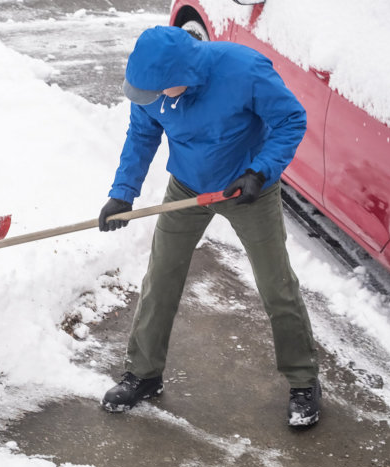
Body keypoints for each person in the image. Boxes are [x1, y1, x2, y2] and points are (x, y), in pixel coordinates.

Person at [96, 26, 321, 427]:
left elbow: (290, 120)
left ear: (184, 74)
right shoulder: (152, 88)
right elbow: (141, 136)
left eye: (161, 91)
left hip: (246, 189)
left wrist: (260, 171)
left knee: (276, 285)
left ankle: (304, 380)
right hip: (187, 187)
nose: (154, 102)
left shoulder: (243, 69)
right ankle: (144, 375)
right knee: (160, 278)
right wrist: (123, 192)